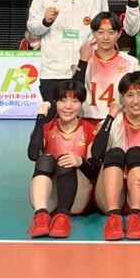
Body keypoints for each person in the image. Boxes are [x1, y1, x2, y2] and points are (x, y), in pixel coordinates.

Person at [26, 0, 108, 113]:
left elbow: (104, 28)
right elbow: (32, 28)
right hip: (53, 70)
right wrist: (46, 21)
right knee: (51, 121)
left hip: (87, 70)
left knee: (85, 122)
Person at [90, 71, 140, 241]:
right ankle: (112, 218)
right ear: (122, 97)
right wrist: (110, 116)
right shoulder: (111, 123)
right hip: (108, 195)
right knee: (115, 153)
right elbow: (96, 153)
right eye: (130, 95)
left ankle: (135, 218)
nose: (135, 101)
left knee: (136, 153)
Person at [26, 80, 99, 238]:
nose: (68, 106)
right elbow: (33, 155)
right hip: (50, 199)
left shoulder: (90, 130)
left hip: (78, 198)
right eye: (63, 100)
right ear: (55, 102)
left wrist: (80, 161)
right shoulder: (46, 128)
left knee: (66, 161)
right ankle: (40, 216)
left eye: (75, 101)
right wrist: (41, 117)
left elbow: (94, 171)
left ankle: (63, 218)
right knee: (45, 159)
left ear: (81, 104)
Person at [72, 12, 140, 122]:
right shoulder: (82, 58)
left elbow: (139, 95)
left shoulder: (131, 63)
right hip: (86, 121)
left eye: (111, 32)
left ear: (119, 33)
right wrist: (83, 61)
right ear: (93, 33)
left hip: (118, 121)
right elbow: (73, 91)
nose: (105, 37)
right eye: (100, 32)